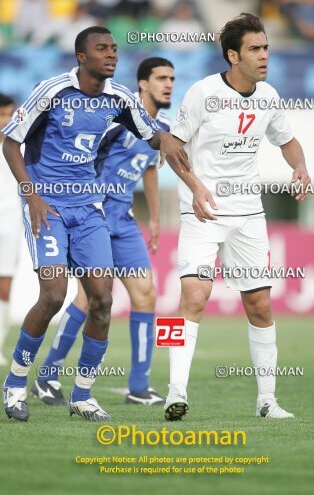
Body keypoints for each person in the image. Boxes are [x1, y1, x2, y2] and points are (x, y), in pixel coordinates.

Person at [1, 26, 185, 422]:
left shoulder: (119, 98)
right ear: (81, 57)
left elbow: (151, 135)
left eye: (115, 49)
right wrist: (31, 194)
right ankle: (16, 382)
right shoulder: (51, 92)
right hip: (47, 204)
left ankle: (82, 394)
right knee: (53, 294)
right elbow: (10, 141)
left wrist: (167, 141)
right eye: (102, 49)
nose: (111, 54)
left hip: (89, 208)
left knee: (102, 300)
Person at [163, 13, 311, 421]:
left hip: (248, 214)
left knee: (260, 305)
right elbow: (171, 147)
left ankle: (268, 400)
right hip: (203, 210)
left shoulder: (269, 96)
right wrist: (195, 186)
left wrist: (300, 167)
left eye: (266, 47)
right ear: (233, 55)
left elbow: (288, 140)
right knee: (193, 298)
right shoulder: (202, 92)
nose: (264, 56)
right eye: (255, 49)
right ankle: (175, 391)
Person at [32, 57, 174, 407]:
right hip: (91, 214)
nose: (169, 84)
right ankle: (47, 376)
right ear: (143, 84)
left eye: (172, 78)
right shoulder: (115, 117)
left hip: (123, 220)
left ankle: (138, 387)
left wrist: (154, 218)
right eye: (161, 78)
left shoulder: (161, 127)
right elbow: (82, 156)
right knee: (89, 298)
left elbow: (150, 169)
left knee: (146, 294)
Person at [0, 94, 22, 366]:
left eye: (8, 114)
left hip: (11, 223)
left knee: (4, 288)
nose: (5, 120)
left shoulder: (20, 147)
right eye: (0, 114)